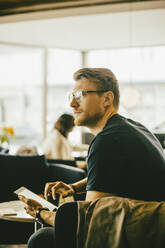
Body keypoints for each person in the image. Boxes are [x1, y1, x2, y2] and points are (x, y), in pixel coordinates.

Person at [20, 68, 165, 248]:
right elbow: (112, 176)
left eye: (80, 95)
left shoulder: (107, 141)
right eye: (71, 96)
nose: (72, 103)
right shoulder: (134, 129)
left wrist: (40, 212)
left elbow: (89, 224)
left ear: (107, 99)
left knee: (41, 239)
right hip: (154, 232)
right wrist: (74, 188)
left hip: (139, 238)